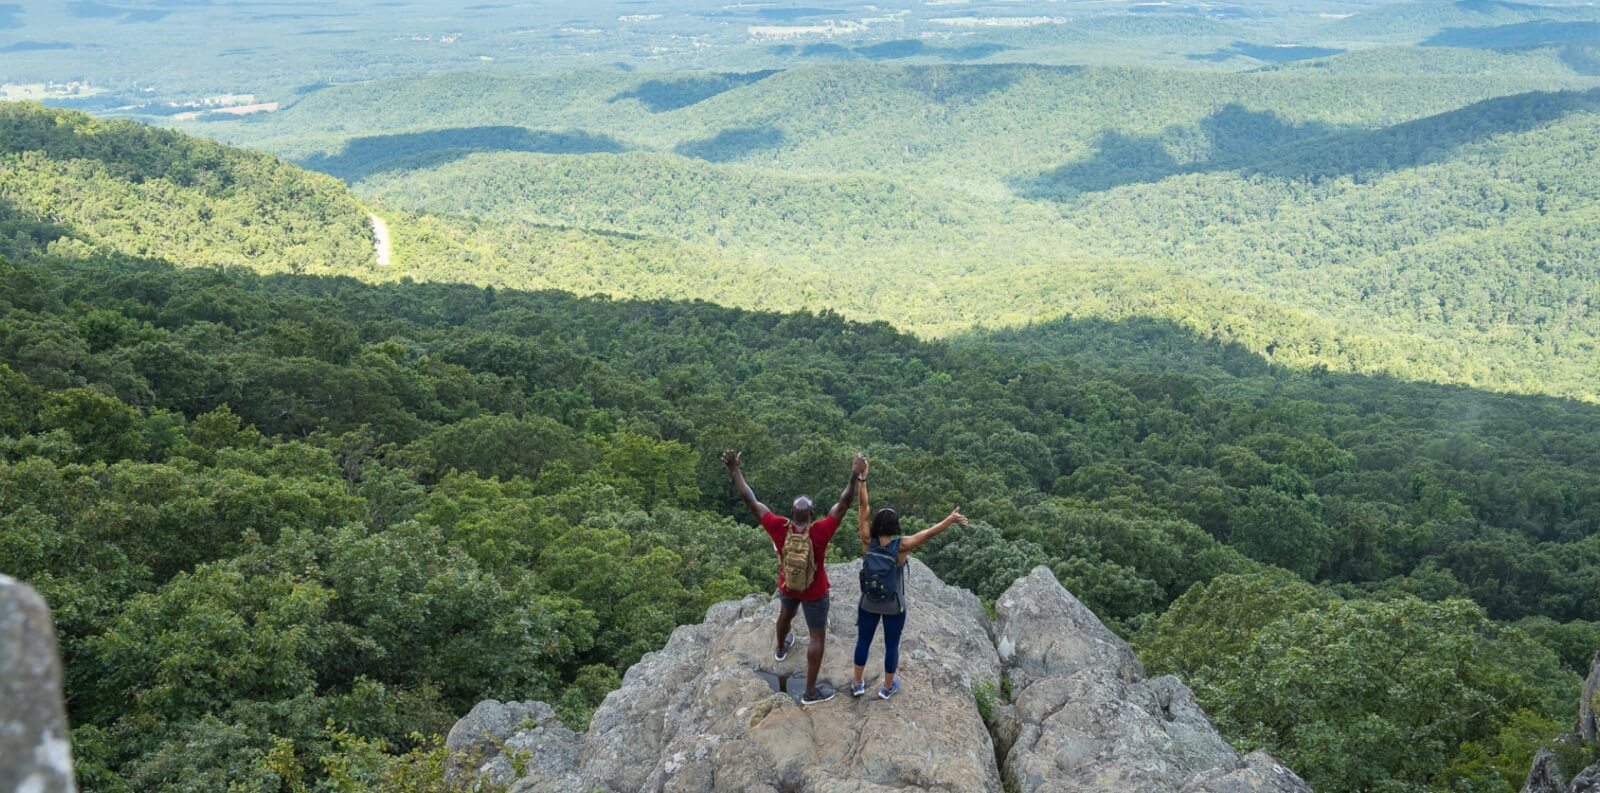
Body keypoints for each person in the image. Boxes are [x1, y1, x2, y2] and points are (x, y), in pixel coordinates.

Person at [722, 449, 867, 705]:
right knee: (816, 637)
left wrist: (735, 470)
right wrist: (854, 475)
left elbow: (751, 500)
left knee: (785, 616)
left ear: (791, 512)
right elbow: (844, 503)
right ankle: (810, 693)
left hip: (788, 586)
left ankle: (780, 649)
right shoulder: (821, 531)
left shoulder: (778, 527)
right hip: (815, 591)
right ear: (811, 515)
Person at [850, 458, 967, 700]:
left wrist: (862, 480)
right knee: (892, 645)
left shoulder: (866, 540)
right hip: (893, 605)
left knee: (864, 641)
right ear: (895, 527)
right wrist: (950, 519)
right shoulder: (901, 546)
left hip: (868, 602)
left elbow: (863, 509)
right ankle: (887, 687)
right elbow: (929, 533)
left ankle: (858, 683)